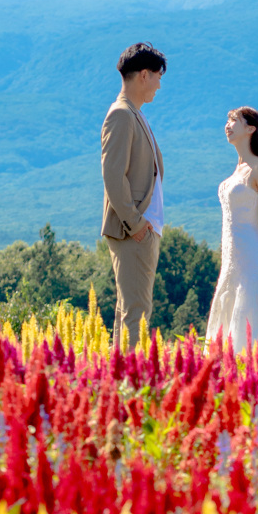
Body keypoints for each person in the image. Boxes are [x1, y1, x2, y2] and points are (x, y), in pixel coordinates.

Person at [101, 42, 166, 348]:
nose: (158, 84)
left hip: (141, 230)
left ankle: (119, 379)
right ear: (143, 75)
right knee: (136, 313)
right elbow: (113, 177)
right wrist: (136, 224)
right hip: (133, 232)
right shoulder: (122, 115)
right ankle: (132, 383)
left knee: (129, 310)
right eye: (157, 76)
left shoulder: (133, 113)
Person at [205, 107, 258, 353]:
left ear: (250, 129)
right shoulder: (238, 168)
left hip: (254, 258)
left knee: (251, 318)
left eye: (234, 121)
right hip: (231, 260)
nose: (228, 125)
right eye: (227, 120)